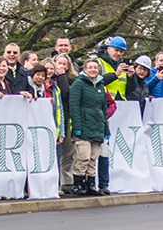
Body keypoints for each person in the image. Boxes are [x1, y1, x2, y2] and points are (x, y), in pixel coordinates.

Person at [69, 57, 109, 196]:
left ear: (98, 70)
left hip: (97, 127)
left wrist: (106, 128)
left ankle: (91, 184)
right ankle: (78, 184)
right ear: (84, 70)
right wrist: (77, 126)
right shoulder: (78, 84)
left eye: (95, 67)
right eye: (90, 67)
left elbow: (104, 108)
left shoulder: (100, 86)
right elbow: (74, 106)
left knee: (93, 158)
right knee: (83, 157)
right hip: (83, 126)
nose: (93, 70)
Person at [53, 54, 78, 193]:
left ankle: (67, 181)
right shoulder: (48, 75)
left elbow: (66, 93)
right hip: (54, 114)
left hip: (67, 116)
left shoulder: (72, 79)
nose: (61, 66)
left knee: (68, 150)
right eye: (59, 63)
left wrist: (62, 76)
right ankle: (55, 181)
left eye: (65, 64)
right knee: (57, 150)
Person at [96, 36, 130, 100]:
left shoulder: (122, 65)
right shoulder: (98, 63)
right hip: (104, 103)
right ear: (108, 49)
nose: (119, 53)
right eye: (116, 50)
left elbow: (130, 90)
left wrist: (131, 77)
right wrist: (115, 75)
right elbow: (96, 81)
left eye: (121, 51)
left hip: (121, 104)